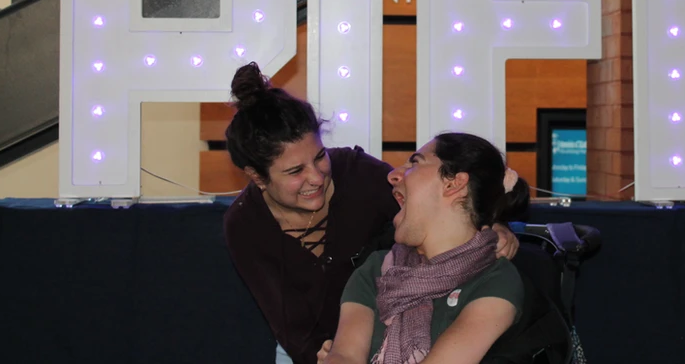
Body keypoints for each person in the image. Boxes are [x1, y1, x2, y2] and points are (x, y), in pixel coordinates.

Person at [222, 63, 518, 364]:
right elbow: (291, 325)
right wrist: (333, 354)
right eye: (296, 171)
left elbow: (435, 211)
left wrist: (493, 224)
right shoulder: (246, 226)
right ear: (257, 177)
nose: (317, 177)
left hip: (380, 329)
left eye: (320, 157)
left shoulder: (359, 176)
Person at [325, 132, 531, 364]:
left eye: (415, 162)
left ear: (454, 183)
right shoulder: (377, 269)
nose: (393, 175)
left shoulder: (495, 280)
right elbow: (345, 356)